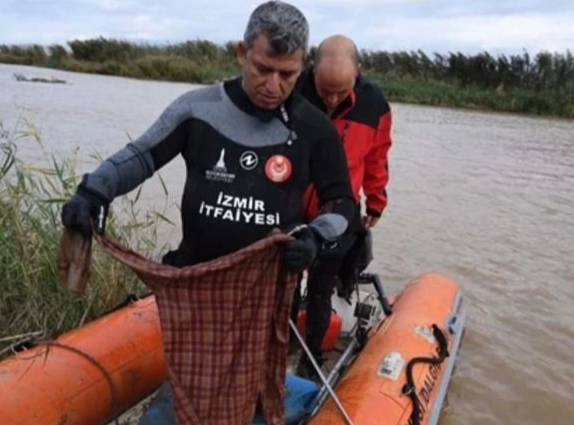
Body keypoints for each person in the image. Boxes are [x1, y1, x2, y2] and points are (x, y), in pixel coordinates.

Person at [61, 2, 357, 273]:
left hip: (269, 285)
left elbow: (342, 203)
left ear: (303, 65)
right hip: (192, 276)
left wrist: (315, 239)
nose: (272, 86)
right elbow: (142, 156)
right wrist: (94, 190)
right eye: (263, 69)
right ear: (242, 53)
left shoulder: (315, 128)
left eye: (287, 74)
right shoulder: (196, 109)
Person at [295, 34, 393, 371]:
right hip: (290, 204)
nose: (333, 99)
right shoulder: (292, 91)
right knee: (283, 282)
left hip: (337, 211)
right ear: (312, 68)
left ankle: (311, 360)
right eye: (325, 91)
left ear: (358, 72)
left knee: (322, 288)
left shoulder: (374, 105)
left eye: (341, 91)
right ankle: (277, 344)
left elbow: (377, 157)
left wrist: (376, 201)